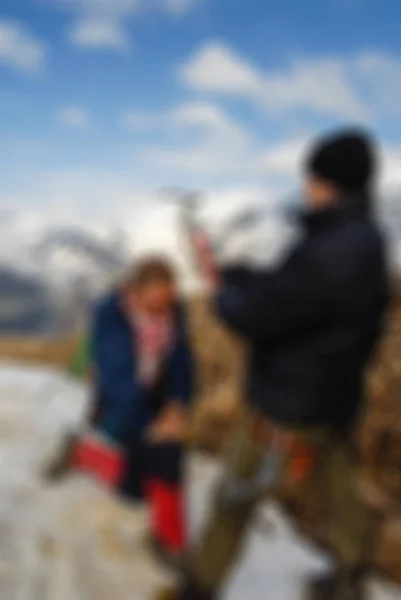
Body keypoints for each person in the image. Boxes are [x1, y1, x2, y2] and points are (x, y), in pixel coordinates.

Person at [157, 129, 389, 600]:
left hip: (285, 406)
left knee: (235, 499)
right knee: (340, 492)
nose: (306, 185)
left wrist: (226, 294)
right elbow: (299, 295)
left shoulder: (329, 249)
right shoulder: (364, 239)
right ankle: (350, 577)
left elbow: (257, 316)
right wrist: (252, 277)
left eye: (313, 175)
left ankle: (198, 587)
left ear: (328, 182)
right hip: (335, 397)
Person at [46, 257, 194, 566]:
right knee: (152, 470)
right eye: (156, 301)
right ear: (137, 292)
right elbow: (117, 379)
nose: (162, 308)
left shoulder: (175, 311)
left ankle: (168, 540)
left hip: (155, 399)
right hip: (120, 405)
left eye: (168, 299)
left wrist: (176, 404)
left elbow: (182, 360)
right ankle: (85, 453)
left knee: (155, 470)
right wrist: (151, 425)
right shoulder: (111, 315)